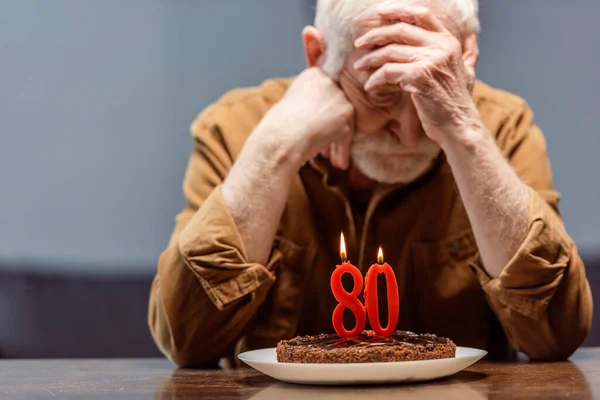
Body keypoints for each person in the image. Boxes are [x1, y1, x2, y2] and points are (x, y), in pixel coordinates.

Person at [148, 0, 592, 367]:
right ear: (316, 55)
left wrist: (461, 128)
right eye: (381, 96)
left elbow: (554, 334)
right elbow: (187, 340)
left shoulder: (501, 128)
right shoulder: (236, 128)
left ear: (467, 54)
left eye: (428, 93)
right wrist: (276, 149)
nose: (410, 130)